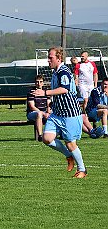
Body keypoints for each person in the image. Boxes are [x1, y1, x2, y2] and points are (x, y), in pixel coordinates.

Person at [32, 47, 87, 178]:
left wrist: (45, 93)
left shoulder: (64, 71)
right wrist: (51, 102)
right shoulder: (55, 72)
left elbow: (65, 89)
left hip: (70, 113)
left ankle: (82, 170)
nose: (48, 60)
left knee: (70, 143)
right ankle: (69, 156)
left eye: (50, 57)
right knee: (47, 138)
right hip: (57, 113)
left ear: (59, 58)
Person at [27, 75, 51, 142]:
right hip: (32, 113)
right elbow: (32, 107)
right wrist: (43, 113)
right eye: (37, 82)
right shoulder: (31, 92)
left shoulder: (46, 92)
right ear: (35, 83)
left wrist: (48, 112)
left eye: (41, 82)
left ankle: (59, 134)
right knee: (39, 114)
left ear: (43, 83)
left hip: (44, 112)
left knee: (56, 114)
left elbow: (49, 104)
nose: (39, 83)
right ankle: (40, 136)